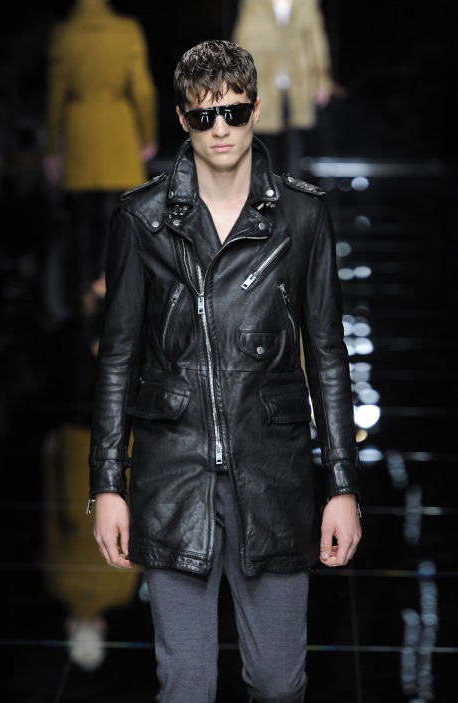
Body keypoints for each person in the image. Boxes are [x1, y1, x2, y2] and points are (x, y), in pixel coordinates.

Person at [88, 38, 362, 703]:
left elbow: (327, 354)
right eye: (203, 115)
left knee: (277, 682)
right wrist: (107, 484)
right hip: (172, 474)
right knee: (185, 685)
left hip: (273, 473)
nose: (220, 129)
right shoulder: (142, 219)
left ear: (256, 111)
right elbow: (118, 356)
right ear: (182, 118)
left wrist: (342, 485)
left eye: (234, 113)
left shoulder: (302, 217)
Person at [43, 0, 158, 315]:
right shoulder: (126, 30)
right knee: (119, 208)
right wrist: (147, 133)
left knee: (82, 212)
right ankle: (114, 280)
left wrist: (52, 146)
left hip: (79, 125)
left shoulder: (65, 34)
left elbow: (55, 95)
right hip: (118, 125)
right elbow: (143, 90)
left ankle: (85, 287)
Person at [232, 0, 336, 173]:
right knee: (263, 138)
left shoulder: (307, 3)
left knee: (295, 140)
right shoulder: (254, 2)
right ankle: (265, 186)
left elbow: (317, 39)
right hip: (264, 75)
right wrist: (238, 78)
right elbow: (243, 36)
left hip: (299, 77)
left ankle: (293, 186)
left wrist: (321, 79)